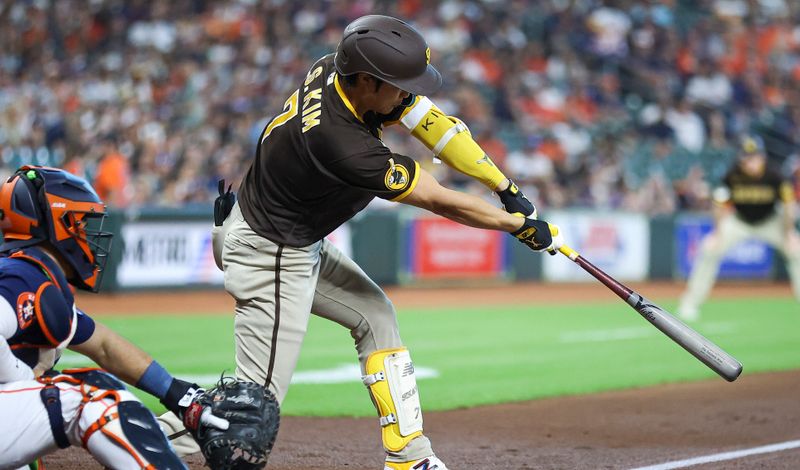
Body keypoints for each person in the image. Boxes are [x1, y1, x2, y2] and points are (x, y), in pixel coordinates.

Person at [160, 15, 563, 469]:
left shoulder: (338, 69)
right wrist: (514, 226)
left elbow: (434, 125)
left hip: (287, 238)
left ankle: (410, 456)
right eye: (399, 84)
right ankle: (140, 438)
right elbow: (440, 199)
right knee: (253, 405)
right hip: (270, 254)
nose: (408, 94)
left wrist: (504, 186)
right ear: (369, 81)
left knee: (375, 315)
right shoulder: (342, 143)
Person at [0, 165, 232, 469]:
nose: (88, 232)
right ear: (56, 224)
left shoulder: (31, 275)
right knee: (96, 394)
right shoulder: (24, 277)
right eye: (81, 220)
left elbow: (104, 345)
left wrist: (178, 394)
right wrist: (24, 377)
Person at [678, 135, 800, 321]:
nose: (751, 162)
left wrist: (789, 232)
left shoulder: (775, 175)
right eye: (747, 158)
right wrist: (718, 233)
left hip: (770, 221)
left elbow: (788, 206)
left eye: (755, 157)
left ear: (763, 157)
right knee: (709, 248)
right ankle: (690, 304)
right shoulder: (732, 174)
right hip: (739, 221)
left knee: (796, 251)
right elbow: (719, 204)